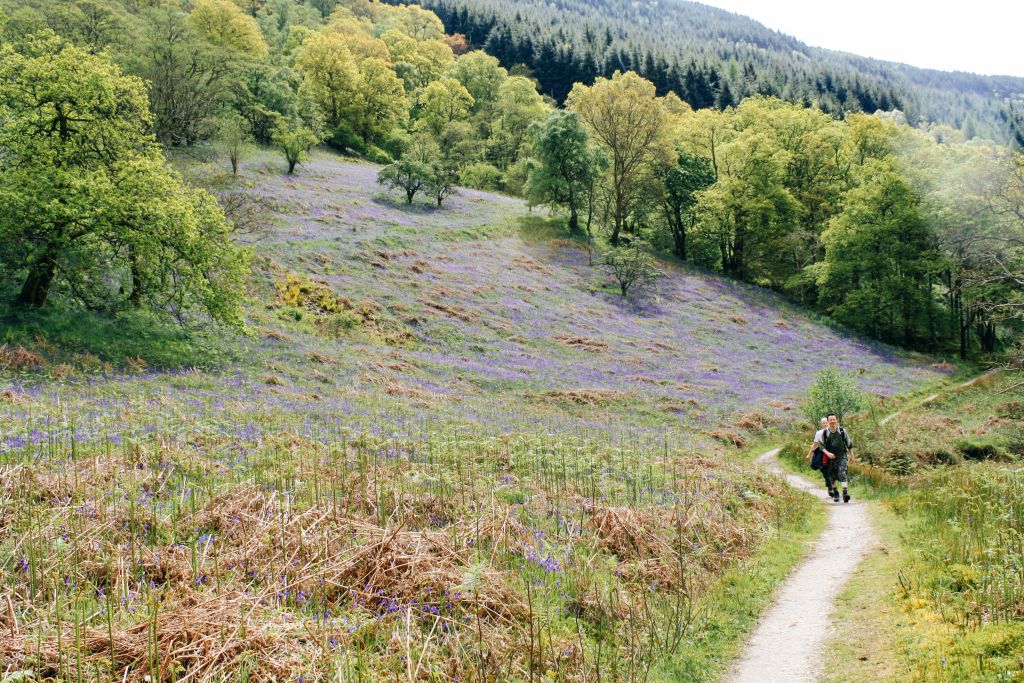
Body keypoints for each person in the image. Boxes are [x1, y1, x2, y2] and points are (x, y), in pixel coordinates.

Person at [817, 413, 853, 503]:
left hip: (842, 456)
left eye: (834, 419)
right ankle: (836, 492)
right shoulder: (825, 433)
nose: (832, 421)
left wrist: (852, 456)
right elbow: (821, 445)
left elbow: (849, 444)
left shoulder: (842, 431)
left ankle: (845, 492)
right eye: (830, 420)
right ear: (828, 421)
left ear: (836, 420)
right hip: (830, 458)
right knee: (832, 475)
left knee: (842, 473)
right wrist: (828, 453)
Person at [806, 417, 836, 499]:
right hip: (821, 453)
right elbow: (815, 444)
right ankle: (831, 488)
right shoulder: (819, 433)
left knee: (829, 471)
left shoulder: (833, 431)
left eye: (826, 422)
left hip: (831, 453)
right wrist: (809, 454)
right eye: (823, 423)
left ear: (828, 423)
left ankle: (831, 488)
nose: (825, 424)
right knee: (820, 468)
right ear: (821, 424)